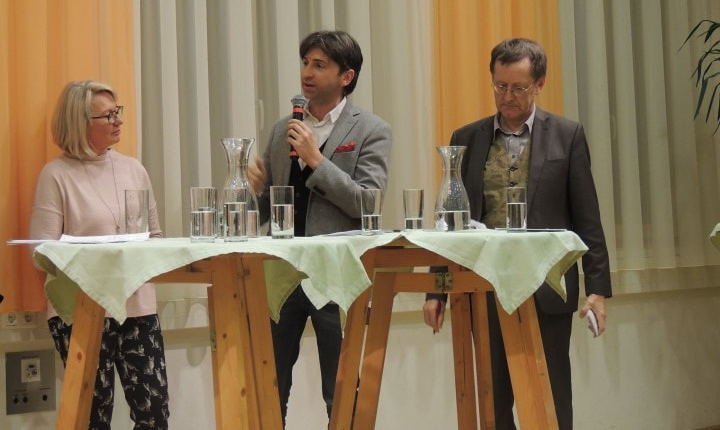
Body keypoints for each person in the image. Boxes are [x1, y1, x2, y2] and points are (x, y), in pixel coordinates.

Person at [423, 38, 612, 429]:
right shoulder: (467, 137)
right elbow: (450, 220)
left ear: (539, 84)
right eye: (500, 86)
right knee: (493, 398)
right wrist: (436, 289)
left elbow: (587, 218)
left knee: (550, 396)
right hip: (483, 284)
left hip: (547, 286)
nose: (507, 96)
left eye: (518, 87)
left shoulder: (567, 135)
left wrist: (597, 290)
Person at [248, 30, 392, 426]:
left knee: (341, 389)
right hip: (282, 272)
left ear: (346, 76)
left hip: (335, 273)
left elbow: (369, 203)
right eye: (305, 63)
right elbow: (265, 210)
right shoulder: (283, 129)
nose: (307, 73)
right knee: (269, 383)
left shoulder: (371, 130)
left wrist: (317, 160)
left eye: (319, 65)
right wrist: (251, 189)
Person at [30, 81, 169, 429]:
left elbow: (155, 237)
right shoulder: (56, 175)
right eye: (107, 115)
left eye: (117, 111)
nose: (118, 120)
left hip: (137, 307)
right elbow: (40, 252)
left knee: (155, 415)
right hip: (81, 311)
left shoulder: (134, 169)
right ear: (79, 123)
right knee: (93, 419)